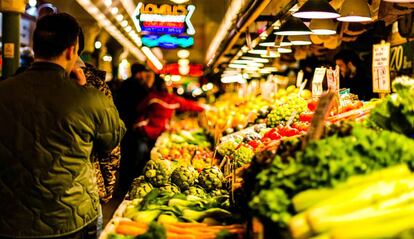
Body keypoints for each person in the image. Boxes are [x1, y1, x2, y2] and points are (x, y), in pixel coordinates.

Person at [0, 13, 126, 239]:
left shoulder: (4, 90)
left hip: (11, 219)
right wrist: (85, 90)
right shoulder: (90, 98)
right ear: (72, 50)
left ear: (35, 47)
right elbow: (113, 136)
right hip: (71, 219)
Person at [134, 75, 204, 150]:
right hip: (158, 131)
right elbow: (188, 104)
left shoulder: (151, 97)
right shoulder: (172, 99)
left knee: (141, 155)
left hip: (146, 131)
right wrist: (203, 108)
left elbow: (139, 109)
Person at [116, 63, 154, 192]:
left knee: (126, 156)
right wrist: (148, 85)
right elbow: (147, 104)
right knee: (135, 158)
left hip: (123, 125)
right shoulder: (139, 87)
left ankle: (122, 185)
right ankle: (130, 186)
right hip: (135, 128)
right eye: (144, 73)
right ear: (139, 73)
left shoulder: (124, 85)